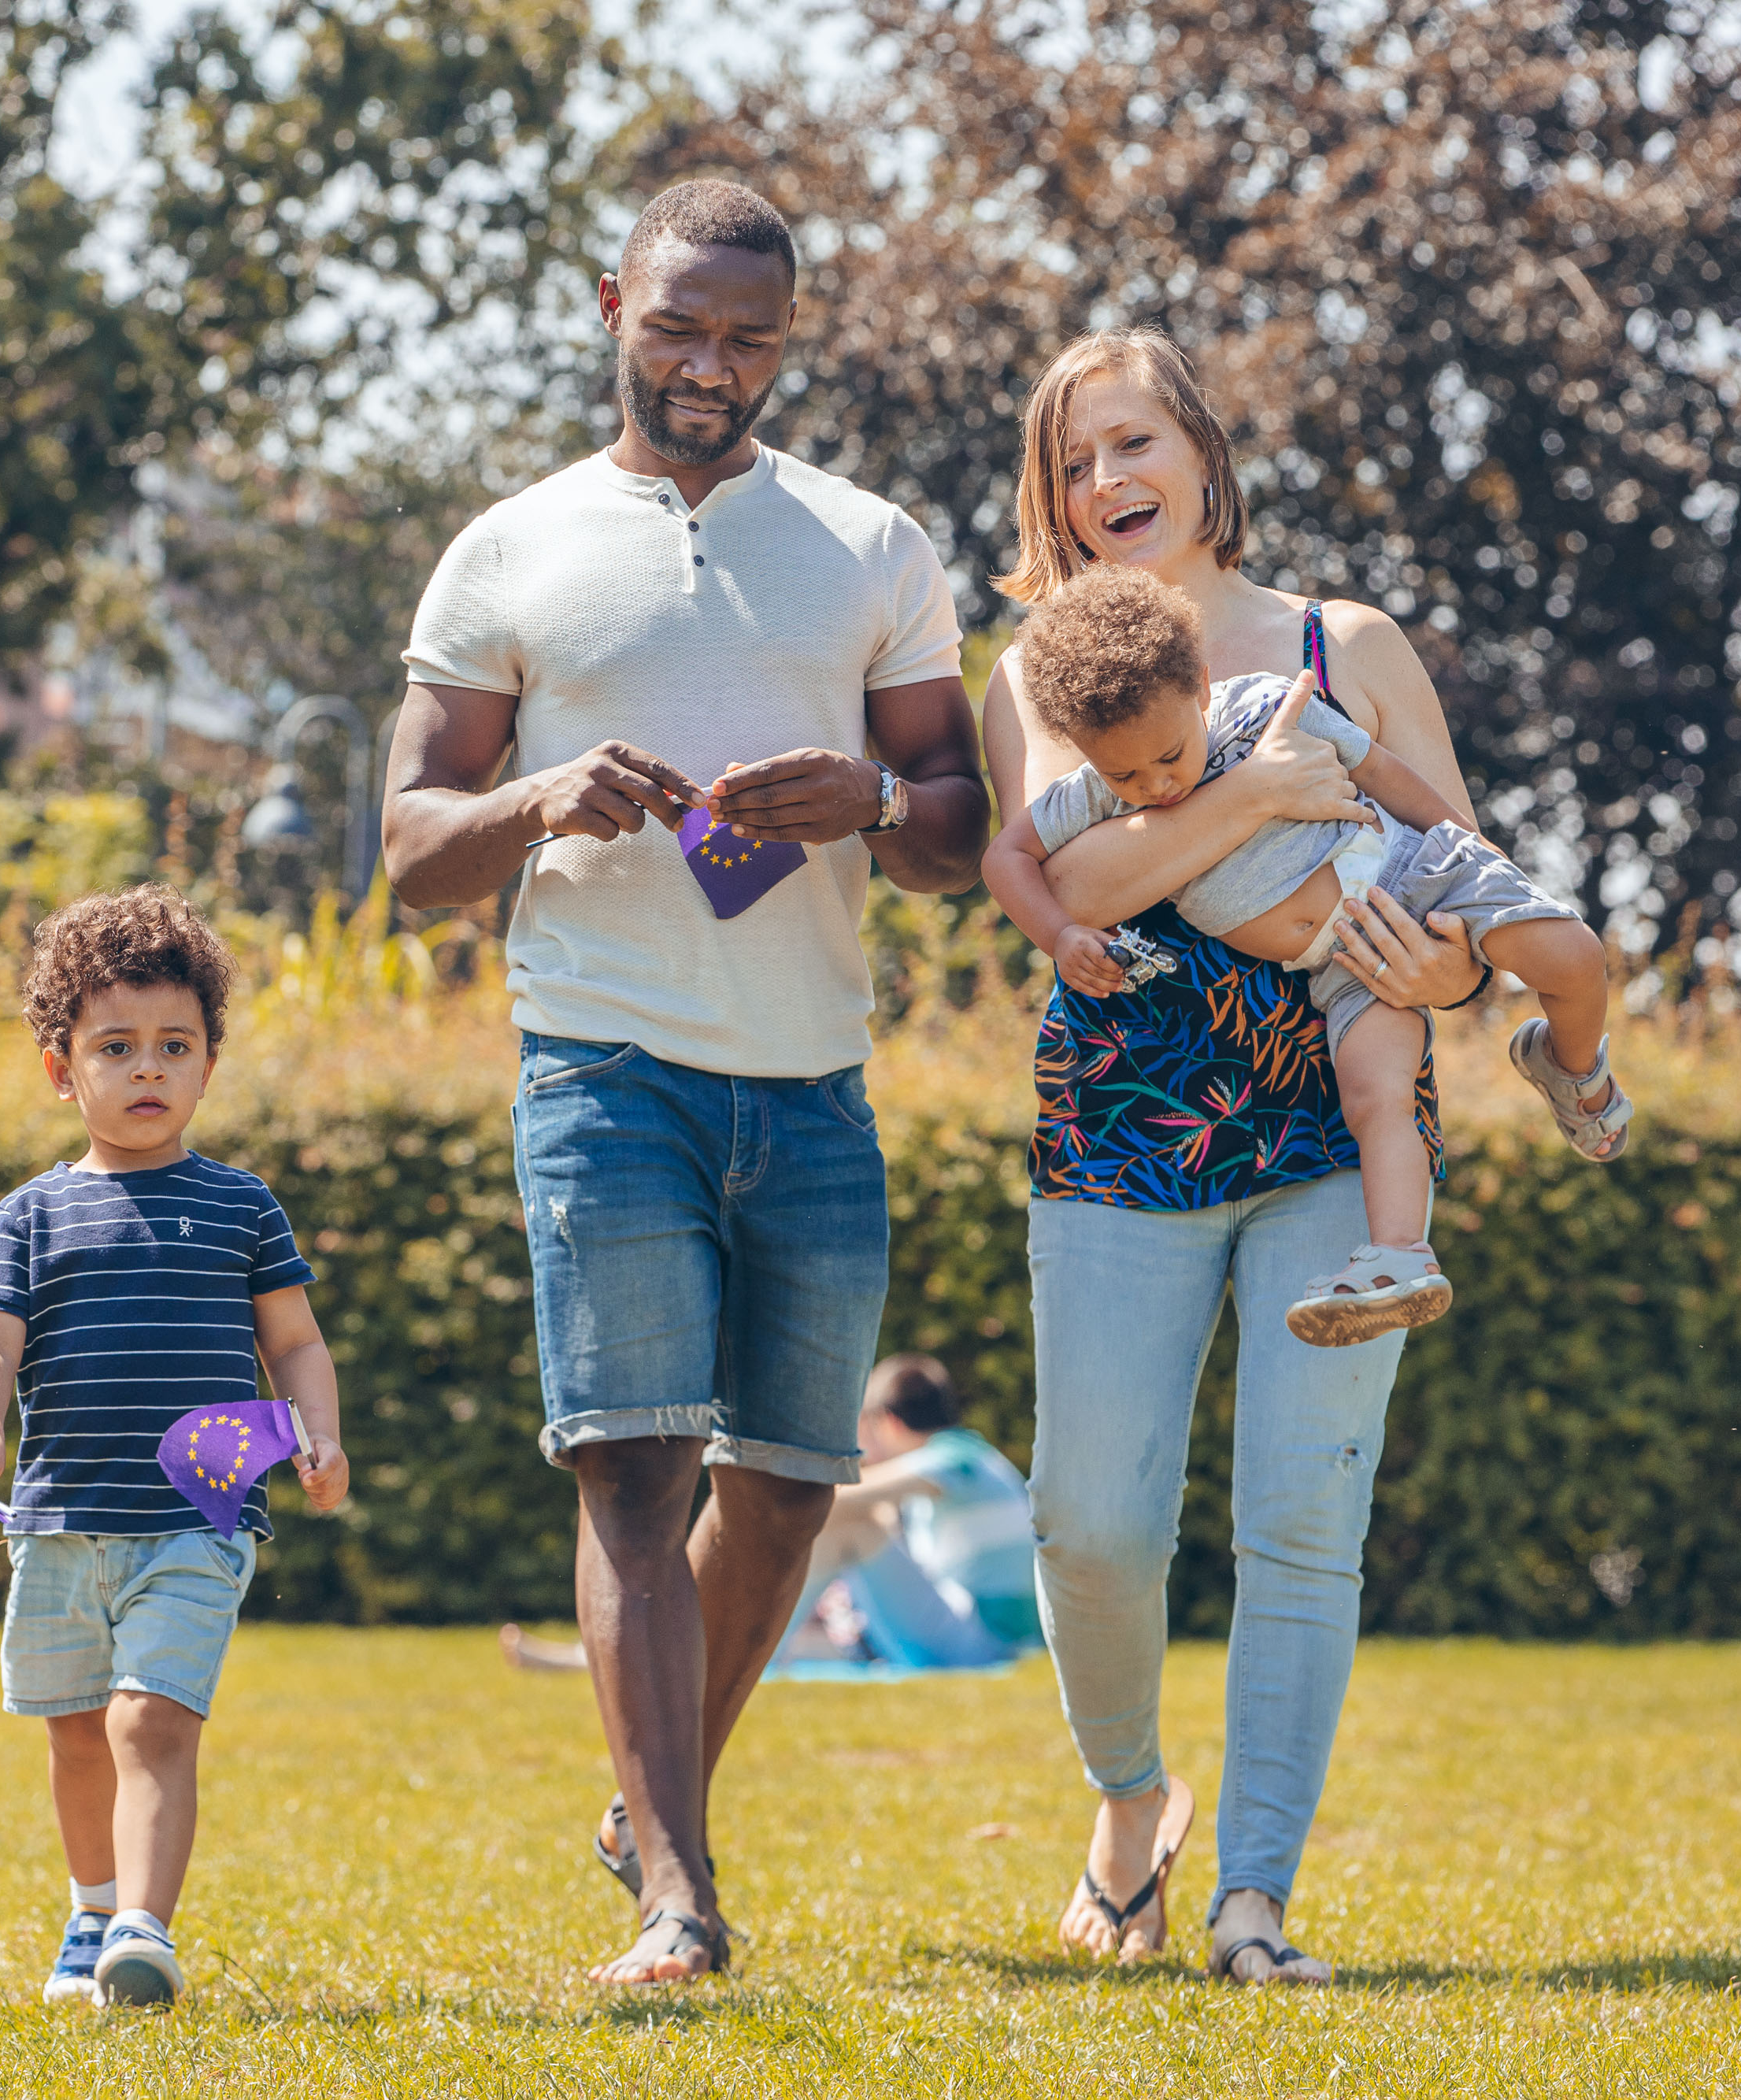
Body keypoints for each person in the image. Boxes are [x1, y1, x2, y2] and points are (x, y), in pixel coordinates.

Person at [384, 177, 987, 1984]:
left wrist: (873, 805)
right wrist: (536, 801)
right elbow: (412, 848)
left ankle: (653, 1808)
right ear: (609, 308)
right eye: (680, 326)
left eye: (750, 339)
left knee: (788, 1485)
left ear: (786, 346)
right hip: (601, 1062)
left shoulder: (871, 544)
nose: (712, 365)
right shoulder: (510, 550)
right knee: (636, 1475)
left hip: (809, 1080)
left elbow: (960, 824)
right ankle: (678, 1892)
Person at [976, 327, 1491, 1986]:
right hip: (1122, 1122)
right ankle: (1132, 1796)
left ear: (1201, 452)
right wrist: (1267, 785)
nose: (1106, 481)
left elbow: (1461, 865)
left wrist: (1460, 973)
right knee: (1088, 1523)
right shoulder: (1043, 666)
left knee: (1297, 1517)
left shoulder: (1349, 643)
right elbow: (1093, 877)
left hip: (1332, 1121)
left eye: (1132, 441)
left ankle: (1253, 1899)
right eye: (1071, 458)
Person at [985, 568, 1632, 1343]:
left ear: (1197, 690)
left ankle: (1569, 1066)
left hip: (1412, 877)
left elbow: (1387, 776)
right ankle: (1398, 1256)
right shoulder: (1096, 793)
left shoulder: (1268, 705)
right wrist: (1057, 934)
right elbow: (1006, 858)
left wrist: (1474, 853)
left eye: (1169, 756)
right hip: (1343, 971)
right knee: (1374, 1097)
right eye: (1126, 774)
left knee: (1573, 958)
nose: (1155, 786)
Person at [0, 886, 351, 2011]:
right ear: (61, 1067)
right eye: (116, 1047)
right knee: (76, 1734)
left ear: (210, 1062)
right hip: (63, 1516)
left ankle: (143, 1931)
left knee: (149, 1717)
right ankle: (90, 1907)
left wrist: (321, 1430)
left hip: (196, 1521)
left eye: (176, 1044)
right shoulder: (32, 1214)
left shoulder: (243, 1208)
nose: (148, 1068)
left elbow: (297, 1342)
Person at [773, 1356, 1038, 1672]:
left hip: (988, 1646)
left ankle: (754, 1654)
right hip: (989, 1639)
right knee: (854, 1524)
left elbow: (835, 1501)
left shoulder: (954, 1460)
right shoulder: (971, 1458)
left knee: (848, 1528)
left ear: (889, 1423)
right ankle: (761, 1650)